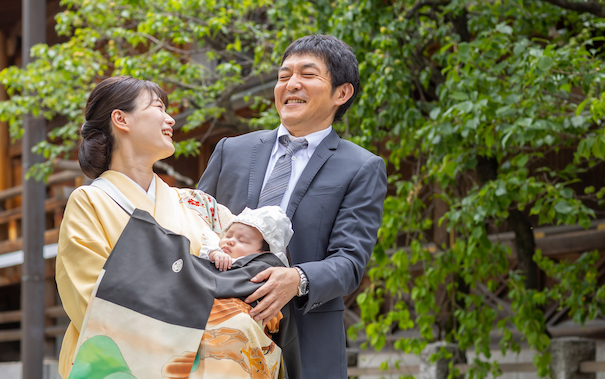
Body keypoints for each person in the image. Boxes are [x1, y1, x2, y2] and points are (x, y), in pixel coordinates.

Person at [56, 76, 299, 379]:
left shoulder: (196, 204)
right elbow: (91, 300)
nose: (170, 118)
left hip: (217, 357)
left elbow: (247, 263)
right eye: (158, 107)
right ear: (121, 119)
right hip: (128, 362)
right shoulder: (90, 201)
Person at [198, 34, 388, 378]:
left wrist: (297, 278)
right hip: (217, 334)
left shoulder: (361, 167)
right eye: (284, 76)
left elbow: (349, 262)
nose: (291, 84)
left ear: (341, 93)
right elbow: (196, 223)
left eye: (307, 75)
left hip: (307, 341)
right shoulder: (231, 151)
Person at [200, 205, 294, 271]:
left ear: (263, 254)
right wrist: (214, 253)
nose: (230, 241)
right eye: (228, 235)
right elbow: (208, 243)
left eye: (242, 241)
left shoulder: (261, 269)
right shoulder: (215, 247)